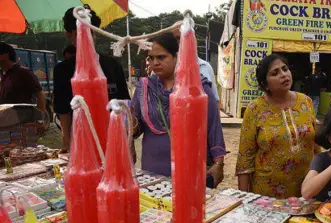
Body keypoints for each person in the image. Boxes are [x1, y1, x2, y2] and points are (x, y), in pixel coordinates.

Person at [131, 33, 226, 187]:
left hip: (190, 168)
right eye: (151, 58)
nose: (155, 62)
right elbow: (136, 128)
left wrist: (219, 163)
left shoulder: (197, 87)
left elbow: (213, 126)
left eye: (161, 57)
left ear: (176, 57)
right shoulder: (145, 88)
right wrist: (127, 121)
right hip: (153, 170)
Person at [236, 54, 317, 198]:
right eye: (275, 73)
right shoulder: (255, 109)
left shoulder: (306, 102)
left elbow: (316, 146)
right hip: (267, 194)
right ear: (265, 84)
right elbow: (245, 159)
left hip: (305, 190)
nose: (284, 75)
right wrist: (244, 198)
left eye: (285, 69)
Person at [53, 7, 130, 152]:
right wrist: (68, 145)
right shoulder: (63, 70)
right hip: (83, 143)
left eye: (90, 32)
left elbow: (124, 104)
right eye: (80, 33)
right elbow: (63, 112)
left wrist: (128, 143)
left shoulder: (112, 65)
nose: (86, 37)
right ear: (69, 35)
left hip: (113, 140)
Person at [172, 22, 219, 103]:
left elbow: (215, 100)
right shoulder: (167, 68)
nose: (181, 41)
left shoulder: (205, 67)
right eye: (177, 38)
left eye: (184, 37)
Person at [0, 42, 47, 114]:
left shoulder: (23, 72)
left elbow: (40, 94)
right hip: (7, 119)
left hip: (23, 120)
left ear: (5, 55)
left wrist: (40, 118)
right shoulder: (3, 75)